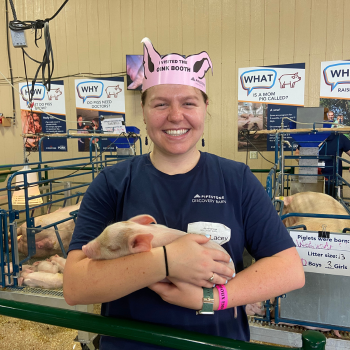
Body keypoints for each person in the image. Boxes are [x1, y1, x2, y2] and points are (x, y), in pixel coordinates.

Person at [63, 37, 305, 349]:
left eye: (189, 102)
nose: (176, 116)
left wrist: (212, 297)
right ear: (144, 111)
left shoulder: (237, 180)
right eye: (161, 103)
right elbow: (75, 286)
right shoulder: (112, 183)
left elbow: (289, 270)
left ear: (205, 108)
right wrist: (166, 260)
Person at [319, 131, 350, 196]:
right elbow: (298, 153)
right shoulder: (310, 136)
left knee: (334, 204)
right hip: (312, 180)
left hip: (333, 181)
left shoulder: (339, 137)